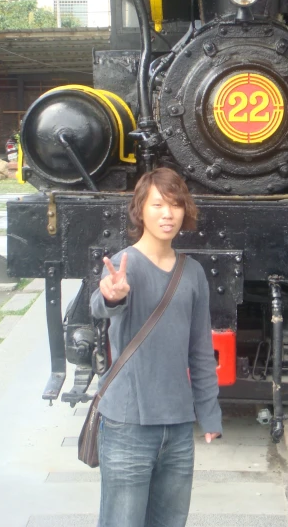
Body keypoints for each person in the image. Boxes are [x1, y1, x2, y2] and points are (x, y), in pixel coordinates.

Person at [90, 167, 222, 527]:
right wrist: (111, 296)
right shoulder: (123, 266)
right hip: (128, 425)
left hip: (178, 426)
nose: (168, 214)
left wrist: (208, 413)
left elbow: (200, 350)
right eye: (158, 204)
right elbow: (100, 304)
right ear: (140, 211)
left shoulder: (192, 272)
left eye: (176, 205)